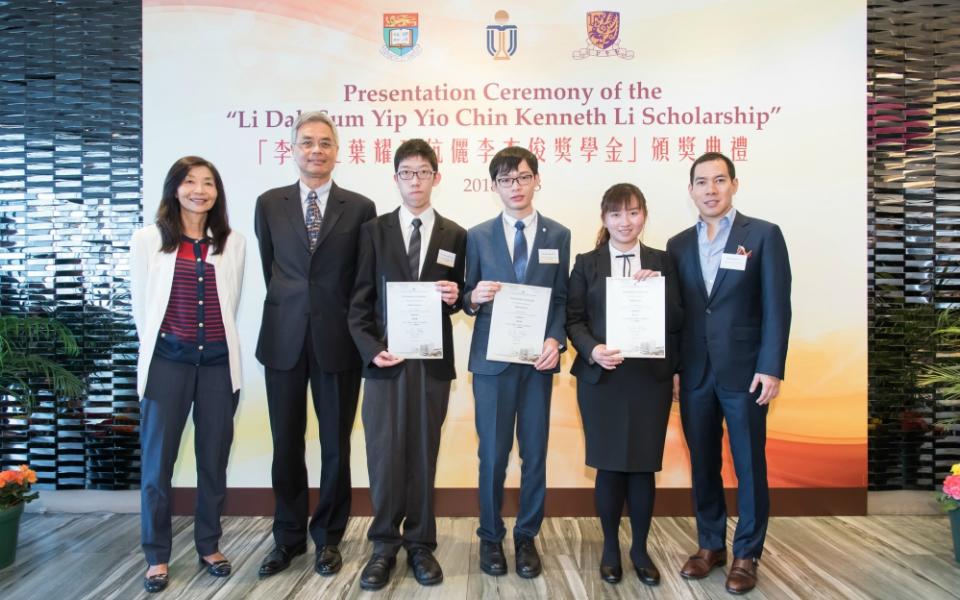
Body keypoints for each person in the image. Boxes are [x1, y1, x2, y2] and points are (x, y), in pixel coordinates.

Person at [254, 112, 376, 578]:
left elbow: (362, 279)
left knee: (335, 446)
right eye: (307, 142)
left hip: (337, 341)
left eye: (325, 142)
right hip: (282, 339)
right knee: (285, 443)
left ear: (337, 150)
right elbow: (273, 270)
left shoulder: (359, 207)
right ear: (293, 148)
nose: (316, 150)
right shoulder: (269, 203)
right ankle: (286, 538)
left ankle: (328, 538)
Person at [666, 152, 791, 594]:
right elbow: (678, 314)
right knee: (703, 463)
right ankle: (709, 544)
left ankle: (747, 553)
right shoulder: (678, 245)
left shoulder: (763, 235)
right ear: (691, 190)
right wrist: (676, 369)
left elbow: (777, 306)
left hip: (745, 373)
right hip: (695, 372)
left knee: (749, 464)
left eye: (719, 180)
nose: (711, 190)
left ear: (734, 184)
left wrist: (771, 367)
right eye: (702, 182)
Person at [348, 139, 467, 590]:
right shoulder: (373, 232)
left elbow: (458, 296)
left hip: (431, 366)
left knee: (422, 453)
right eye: (406, 172)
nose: (415, 180)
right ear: (395, 178)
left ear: (437, 177)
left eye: (423, 172)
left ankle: (420, 544)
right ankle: (383, 546)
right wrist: (369, 347)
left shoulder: (455, 234)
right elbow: (358, 301)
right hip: (386, 361)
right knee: (383, 455)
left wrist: (457, 298)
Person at [130, 156, 245, 593]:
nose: (200, 190)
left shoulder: (232, 242)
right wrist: (164, 351)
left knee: (213, 461)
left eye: (209, 183)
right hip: (167, 366)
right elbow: (143, 309)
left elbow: (230, 304)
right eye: (190, 182)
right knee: (157, 466)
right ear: (174, 188)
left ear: (217, 192)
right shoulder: (148, 240)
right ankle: (156, 555)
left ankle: (209, 544)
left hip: (217, 365)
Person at [566, 183, 682, 587]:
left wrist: (658, 290)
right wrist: (592, 349)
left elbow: (679, 320)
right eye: (616, 214)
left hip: (649, 379)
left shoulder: (664, 262)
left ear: (644, 216)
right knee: (610, 466)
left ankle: (640, 549)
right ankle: (611, 547)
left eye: (632, 213)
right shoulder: (586, 263)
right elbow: (573, 319)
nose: (625, 221)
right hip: (602, 379)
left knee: (643, 466)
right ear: (604, 219)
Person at [462, 146, 570, 579]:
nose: (516, 187)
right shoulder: (477, 236)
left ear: (536, 180)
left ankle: (526, 537)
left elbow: (560, 298)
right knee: (492, 454)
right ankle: (490, 535)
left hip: (536, 365)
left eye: (523, 177)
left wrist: (556, 338)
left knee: (535, 454)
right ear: (495, 187)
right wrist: (474, 298)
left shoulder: (558, 235)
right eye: (506, 180)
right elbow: (465, 296)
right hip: (492, 364)